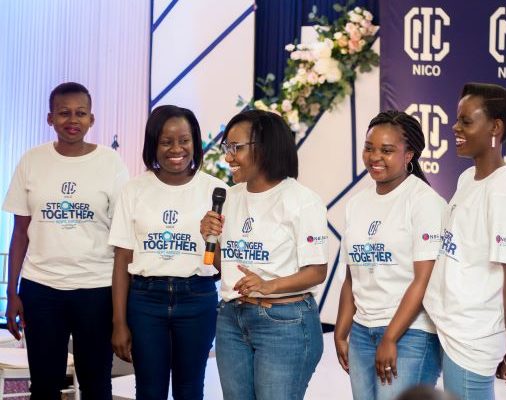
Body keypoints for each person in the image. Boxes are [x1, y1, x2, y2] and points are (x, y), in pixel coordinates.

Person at [2, 82, 129, 400]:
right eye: (64, 113)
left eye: (80, 113)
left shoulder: (111, 163)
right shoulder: (31, 161)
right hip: (41, 289)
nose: (73, 120)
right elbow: (20, 232)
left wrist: (120, 309)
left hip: (96, 289)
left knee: (96, 385)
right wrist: (12, 292)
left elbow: (123, 238)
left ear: (91, 119)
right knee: (44, 386)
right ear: (50, 118)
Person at [201, 109, 328, 400]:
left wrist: (269, 285)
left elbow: (317, 271)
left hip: (283, 322)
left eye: (236, 148)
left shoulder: (302, 201)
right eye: (227, 147)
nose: (228, 157)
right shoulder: (230, 197)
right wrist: (208, 237)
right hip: (232, 318)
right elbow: (225, 267)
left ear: (265, 147)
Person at [109, 105, 226, 400]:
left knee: (190, 389)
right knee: (149, 390)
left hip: (197, 298)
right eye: (166, 142)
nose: (176, 149)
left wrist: (211, 238)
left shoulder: (215, 190)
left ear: (195, 142)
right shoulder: (133, 189)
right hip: (145, 301)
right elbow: (122, 260)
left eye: (184, 140)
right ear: (153, 144)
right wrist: (119, 323)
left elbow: (225, 265)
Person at [334, 110, 445, 400]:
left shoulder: (425, 202)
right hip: (362, 331)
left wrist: (390, 337)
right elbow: (352, 277)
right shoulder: (356, 204)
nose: (375, 157)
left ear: (409, 155)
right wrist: (341, 331)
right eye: (369, 148)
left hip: (411, 334)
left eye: (386, 150)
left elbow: (423, 280)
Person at [423, 82, 506, 400]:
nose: (455, 127)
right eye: (457, 119)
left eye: (466, 121)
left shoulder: (501, 190)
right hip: (448, 325)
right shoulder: (467, 178)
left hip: (473, 336)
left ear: (495, 128)